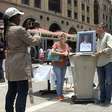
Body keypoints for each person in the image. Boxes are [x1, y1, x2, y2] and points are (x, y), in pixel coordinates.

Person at [4, 7, 41, 112]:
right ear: (14, 17)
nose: (20, 18)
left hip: (10, 65)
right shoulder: (18, 29)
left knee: (11, 91)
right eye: (19, 16)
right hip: (21, 65)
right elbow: (34, 41)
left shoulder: (7, 30)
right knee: (22, 92)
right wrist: (37, 31)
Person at [95, 23, 112, 105]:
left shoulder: (108, 36)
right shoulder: (98, 39)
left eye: (99, 28)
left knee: (108, 82)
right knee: (101, 82)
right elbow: (96, 50)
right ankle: (102, 98)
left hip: (108, 62)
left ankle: (108, 99)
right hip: (99, 63)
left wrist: (101, 52)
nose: (97, 29)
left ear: (103, 29)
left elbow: (110, 48)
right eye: (97, 28)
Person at [51, 33, 70, 101]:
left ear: (65, 38)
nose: (63, 38)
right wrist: (61, 53)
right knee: (59, 80)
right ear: (59, 37)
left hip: (64, 64)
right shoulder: (56, 44)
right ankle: (59, 95)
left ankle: (61, 94)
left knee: (62, 80)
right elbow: (52, 52)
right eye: (61, 36)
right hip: (56, 64)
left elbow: (67, 52)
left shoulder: (66, 45)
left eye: (64, 37)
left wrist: (67, 53)